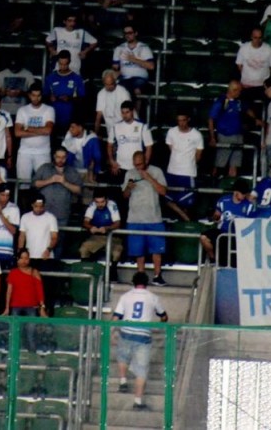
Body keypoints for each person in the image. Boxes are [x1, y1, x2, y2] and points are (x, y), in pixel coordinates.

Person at [113, 271, 168, 411]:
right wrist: (162, 322)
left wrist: (112, 330)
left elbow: (116, 316)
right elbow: (163, 315)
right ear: (147, 283)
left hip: (126, 332)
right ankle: (138, 401)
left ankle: (123, 380)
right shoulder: (153, 297)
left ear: (133, 282)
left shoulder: (125, 296)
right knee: (142, 370)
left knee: (123, 357)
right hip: (143, 336)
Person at [123, 151, 168, 285]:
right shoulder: (129, 173)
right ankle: (141, 277)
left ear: (146, 161)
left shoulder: (157, 171)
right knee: (138, 251)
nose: (137, 167)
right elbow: (124, 196)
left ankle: (157, 276)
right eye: (135, 164)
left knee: (156, 250)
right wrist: (128, 188)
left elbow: (163, 191)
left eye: (140, 164)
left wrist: (149, 178)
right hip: (135, 219)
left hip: (154, 218)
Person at [3, 248, 47, 352]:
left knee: (31, 332)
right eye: (21, 258)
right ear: (17, 259)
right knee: (14, 332)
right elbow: (9, 291)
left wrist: (42, 308)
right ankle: (12, 354)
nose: (24, 261)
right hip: (16, 306)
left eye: (26, 258)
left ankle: (32, 355)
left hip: (31, 306)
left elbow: (40, 291)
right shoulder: (13, 273)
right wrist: (7, 308)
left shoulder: (34, 272)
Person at [164, 109, 203, 221]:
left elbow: (198, 156)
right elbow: (171, 148)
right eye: (179, 121)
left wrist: (187, 163)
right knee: (168, 199)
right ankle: (185, 218)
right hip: (172, 171)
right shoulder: (171, 132)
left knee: (186, 201)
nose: (181, 123)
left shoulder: (196, 135)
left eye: (183, 120)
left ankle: (185, 221)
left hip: (187, 173)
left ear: (188, 120)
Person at [34, 147, 83, 231]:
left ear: (66, 157)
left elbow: (79, 190)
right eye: (58, 157)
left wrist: (65, 182)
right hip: (43, 210)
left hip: (62, 212)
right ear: (54, 156)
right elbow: (34, 184)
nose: (60, 160)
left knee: (59, 239)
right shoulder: (44, 168)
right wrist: (50, 180)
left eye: (63, 157)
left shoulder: (72, 171)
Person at [14, 83, 56, 180]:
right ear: (29, 95)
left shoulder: (49, 110)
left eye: (38, 96)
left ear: (42, 96)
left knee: (43, 183)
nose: (36, 98)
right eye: (33, 95)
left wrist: (27, 128)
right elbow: (17, 133)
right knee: (23, 184)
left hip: (43, 152)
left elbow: (48, 130)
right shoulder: (22, 110)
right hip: (24, 152)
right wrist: (40, 131)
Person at [208, 80, 247, 178]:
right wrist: (212, 137)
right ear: (231, 90)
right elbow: (211, 119)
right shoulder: (221, 102)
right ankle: (213, 182)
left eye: (240, 90)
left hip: (238, 135)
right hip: (225, 136)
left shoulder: (239, 101)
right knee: (219, 163)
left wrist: (256, 119)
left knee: (235, 164)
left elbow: (247, 109)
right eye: (237, 90)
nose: (239, 92)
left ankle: (231, 184)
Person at [108, 101, 153, 181]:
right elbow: (109, 145)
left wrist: (145, 164)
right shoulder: (115, 127)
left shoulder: (142, 126)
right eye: (122, 112)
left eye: (127, 112)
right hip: (120, 167)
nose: (124, 115)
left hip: (136, 168)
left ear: (132, 111)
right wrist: (112, 161)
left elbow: (149, 147)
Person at [112, 25, 154, 111]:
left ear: (135, 33)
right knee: (117, 90)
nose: (127, 35)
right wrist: (116, 71)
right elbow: (115, 67)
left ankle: (135, 117)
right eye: (125, 33)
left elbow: (151, 66)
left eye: (130, 33)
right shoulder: (119, 48)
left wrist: (134, 59)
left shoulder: (144, 48)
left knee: (136, 89)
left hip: (140, 78)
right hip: (124, 78)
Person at [44, 51, 85, 135]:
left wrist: (70, 98)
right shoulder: (50, 78)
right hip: (53, 118)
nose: (62, 66)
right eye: (60, 64)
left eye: (65, 64)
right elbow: (43, 96)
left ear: (69, 62)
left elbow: (82, 99)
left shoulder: (77, 78)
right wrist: (50, 97)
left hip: (71, 118)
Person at [79, 188, 124, 264]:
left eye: (102, 202)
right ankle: (86, 270)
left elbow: (117, 223)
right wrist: (91, 227)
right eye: (97, 202)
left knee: (116, 253)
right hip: (97, 237)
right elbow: (85, 222)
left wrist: (107, 228)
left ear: (106, 200)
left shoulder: (112, 205)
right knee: (83, 249)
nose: (100, 204)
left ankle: (113, 272)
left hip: (112, 236)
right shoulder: (92, 205)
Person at [46, 12, 98, 76]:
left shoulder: (81, 32)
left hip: (75, 68)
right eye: (69, 21)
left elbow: (94, 42)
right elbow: (48, 41)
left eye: (74, 21)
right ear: (64, 21)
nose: (72, 23)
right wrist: (51, 49)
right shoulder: (57, 31)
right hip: (59, 68)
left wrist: (85, 52)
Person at [235, 26, 271, 105]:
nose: (257, 40)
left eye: (260, 38)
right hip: (246, 85)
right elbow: (239, 65)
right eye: (255, 37)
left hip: (262, 86)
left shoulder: (269, 50)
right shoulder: (243, 48)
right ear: (251, 37)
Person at [18, 196, 59, 269]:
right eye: (36, 206)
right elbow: (22, 237)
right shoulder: (25, 217)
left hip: (46, 257)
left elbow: (54, 237)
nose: (39, 209)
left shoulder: (51, 217)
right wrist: (20, 253)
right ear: (32, 205)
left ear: (44, 205)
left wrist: (48, 250)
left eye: (41, 206)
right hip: (29, 257)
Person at [63, 117, 103, 184]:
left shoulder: (91, 138)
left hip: (87, 172)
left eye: (73, 127)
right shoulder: (69, 134)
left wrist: (92, 174)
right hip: (73, 171)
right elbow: (66, 155)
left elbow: (96, 157)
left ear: (80, 128)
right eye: (70, 127)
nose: (70, 129)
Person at [94, 69, 131, 138]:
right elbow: (99, 116)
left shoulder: (123, 92)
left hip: (125, 126)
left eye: (111, 84)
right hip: (110, 128)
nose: (108, 87)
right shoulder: (101, 94)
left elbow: (129, 113)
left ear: (115, 81)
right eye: (106, 84)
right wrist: (96, 133)